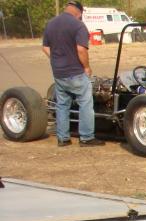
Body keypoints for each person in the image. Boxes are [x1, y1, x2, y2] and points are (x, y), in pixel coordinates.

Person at [41, 0, 104, 147]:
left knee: (62, 105)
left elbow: (45, 47)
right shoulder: (78, 25)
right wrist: (87, 67)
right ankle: (87, 138)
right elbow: (81, 50)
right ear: (79, 12)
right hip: (75, 72)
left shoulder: (51, 23)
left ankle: (63, 139)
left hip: (59, 73)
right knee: (85, 103)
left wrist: (57, 59)